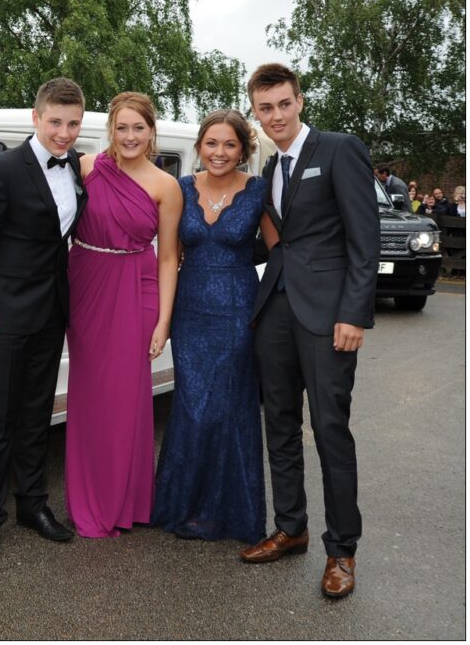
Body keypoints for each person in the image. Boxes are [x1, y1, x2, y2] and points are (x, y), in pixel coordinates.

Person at [242, 63, 378, 600]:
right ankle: (291, 527)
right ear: (255, 110)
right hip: (274, 309)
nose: (275, 115)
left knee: (329, 429)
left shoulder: (339, 149)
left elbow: (364, 237)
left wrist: (354, 314)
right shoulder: (271, 166)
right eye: (264, 107)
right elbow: (281, 241)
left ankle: (341, 549)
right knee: (277, 423)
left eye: (282, 104)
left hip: (328, 316)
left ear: (299, 101)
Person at [0, 77, 89, 562]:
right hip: (2, 318)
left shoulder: (75, 166)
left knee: (37, 417)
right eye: (55, 122)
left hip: (52, 313)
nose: (64, 133)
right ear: (36, 118)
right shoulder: (4, 169)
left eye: (73, 124)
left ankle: (34, 505)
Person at [63, 92, 181, 538]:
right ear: (110, 129)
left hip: (137, 288)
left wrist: (164, 320)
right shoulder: (88, 167)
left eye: (138, 128)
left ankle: (125, 502)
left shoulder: (165, 186)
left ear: (152, 132)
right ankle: (86, 494)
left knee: (126, 397)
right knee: (90, 393)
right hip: (86, 284)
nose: (129, 136)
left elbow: (168, 257)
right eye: (122, 127)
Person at [150, 110, 268, 544]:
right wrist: (162, 320)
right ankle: (180, 505)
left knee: (228, 407)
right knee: (192, 405)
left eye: (230, 144)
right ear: (200, 146)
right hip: (190, 310)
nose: (220, 152)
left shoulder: (258, 191)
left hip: (239, 312)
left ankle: (229, 513)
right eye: (212, 143)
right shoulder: (181, 188)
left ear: (243, 149)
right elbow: (168, 257)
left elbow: (280, 252)